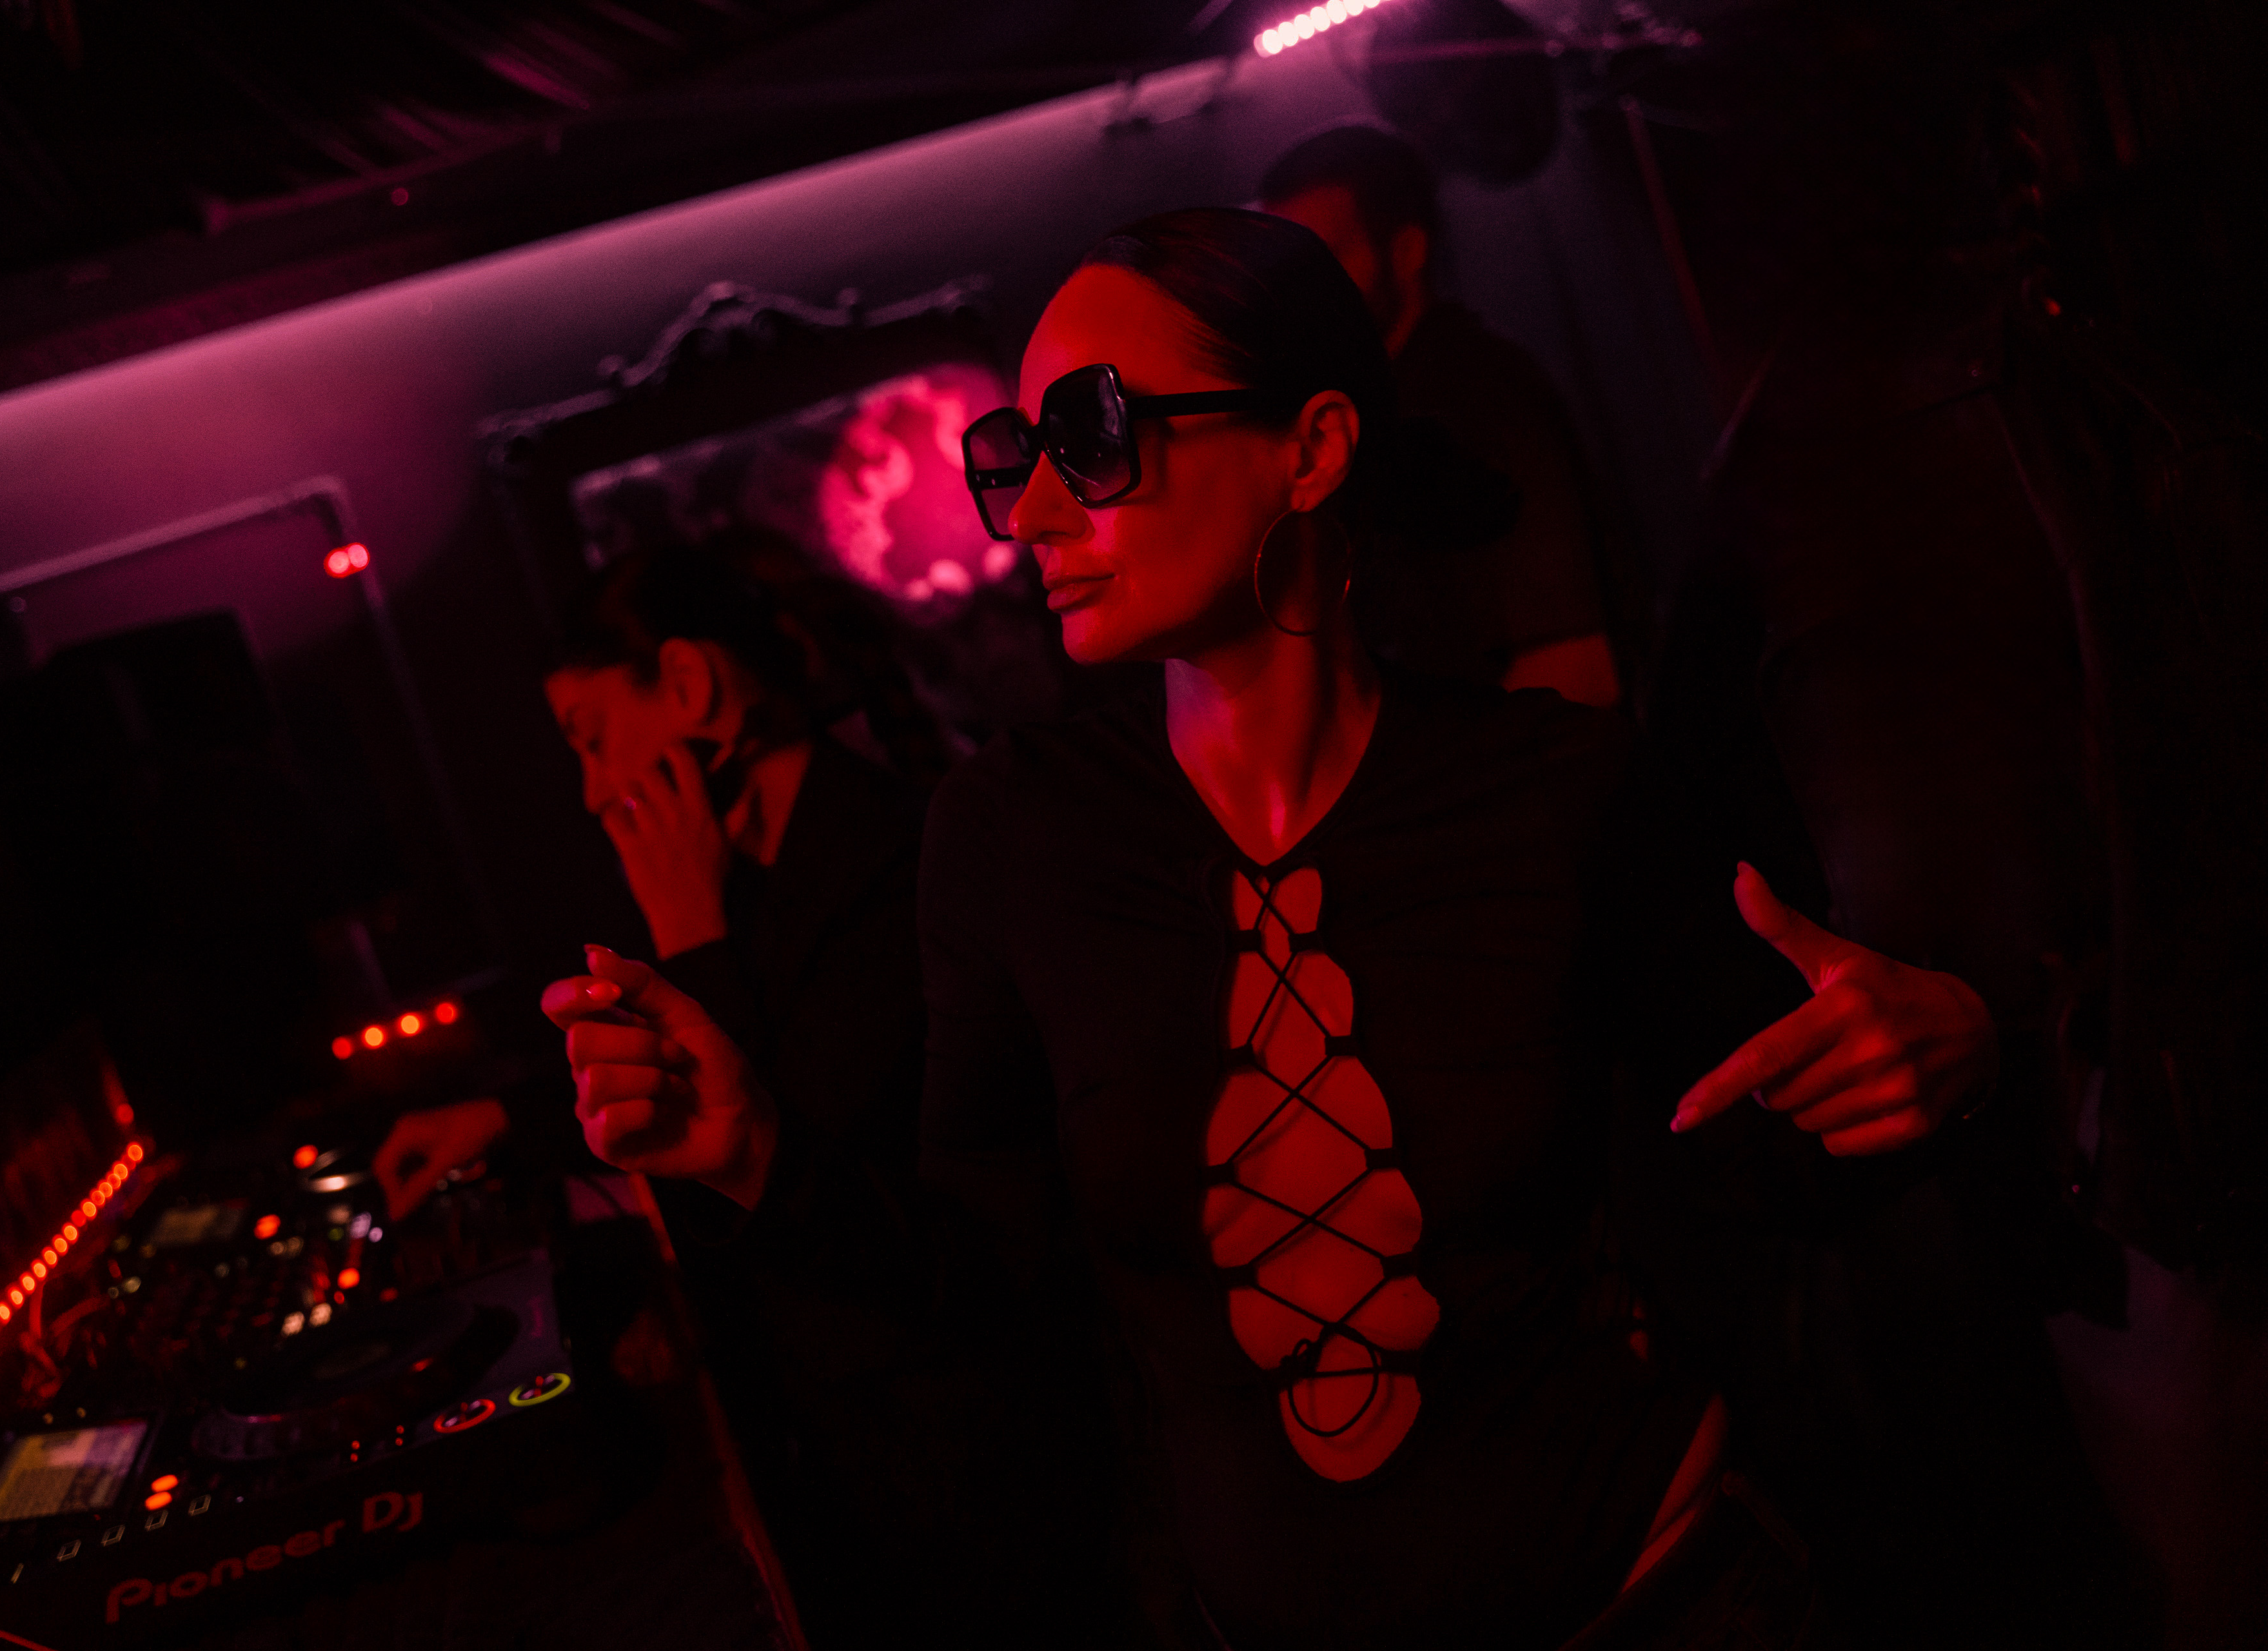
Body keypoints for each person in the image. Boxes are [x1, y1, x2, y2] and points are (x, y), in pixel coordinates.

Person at [544, 210, 1998, 1648]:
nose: (1034, 511)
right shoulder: (1012, 838)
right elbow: (985, 1281)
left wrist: (1949, 1053)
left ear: (1309, 449)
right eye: (1016, 457)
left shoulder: (1552, 791)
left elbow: (1781, 1169)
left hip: (1667, 1607)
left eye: (1093, 436)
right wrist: (756, 1154)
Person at [376, 529, 958, 1645]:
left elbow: (771, 1163)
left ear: (688, 685)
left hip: (942, 1472)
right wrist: (502, 1117)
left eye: (592, 741)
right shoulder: (773, 873)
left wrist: (687, 930)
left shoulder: (892, 867)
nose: (595, 793)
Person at [1261, 124, 1629, 709]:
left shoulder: (1477, 395)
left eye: (1325, 263)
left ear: (1407, 252)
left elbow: (1573, 671)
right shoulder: (1378, 409)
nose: (1296, 299)